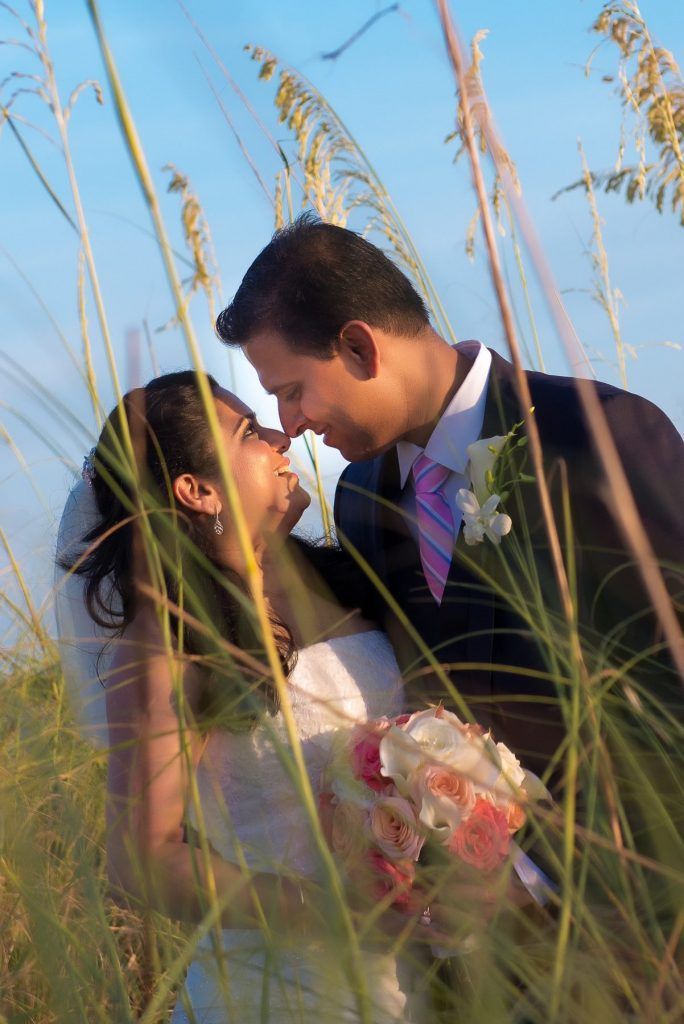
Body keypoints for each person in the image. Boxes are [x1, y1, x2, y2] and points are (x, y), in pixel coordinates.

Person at [215, 214, 684, 785]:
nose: (288, 425)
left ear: (360, 347)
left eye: (292, 392)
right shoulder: (360, 501)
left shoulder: (593, 437)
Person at [56, 371, 433, 1024]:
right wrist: (326, 912)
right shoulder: (173, 637)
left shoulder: (344, 574)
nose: (282, 435)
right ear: (196, 490)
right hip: (281, 987)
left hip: (411, 970)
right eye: (249, 432)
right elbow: (142, 859)